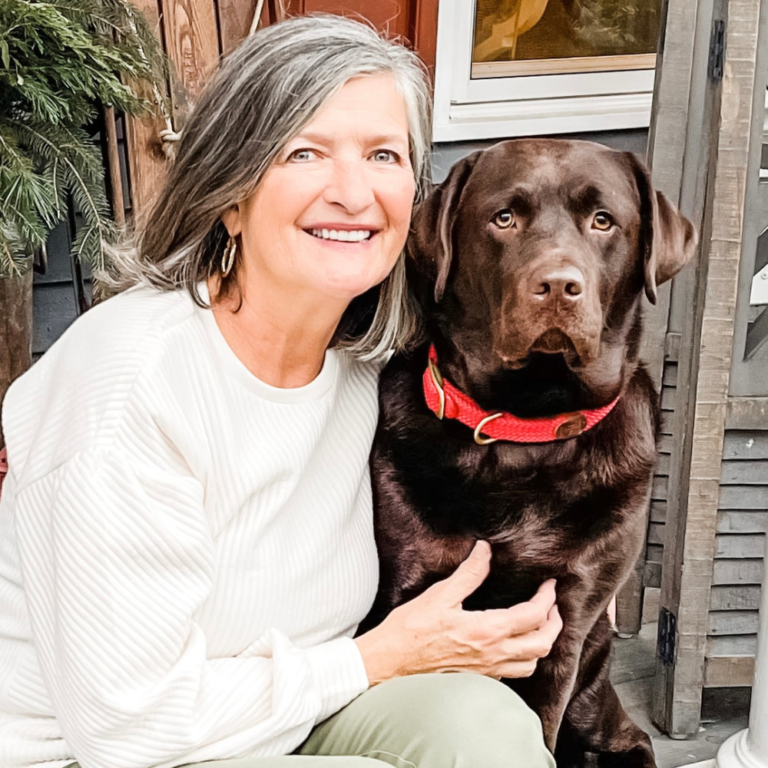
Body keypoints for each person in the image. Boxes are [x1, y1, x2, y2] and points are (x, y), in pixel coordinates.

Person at [0, 15, 562, 768]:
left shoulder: (372, 369)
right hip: (96, 753)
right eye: (305, 152)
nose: (354, 193)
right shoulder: (131, 384)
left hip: (286, 718)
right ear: (230, 194)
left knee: (481, 727)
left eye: (383, 155)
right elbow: (128, 732)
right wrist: (378, 658)